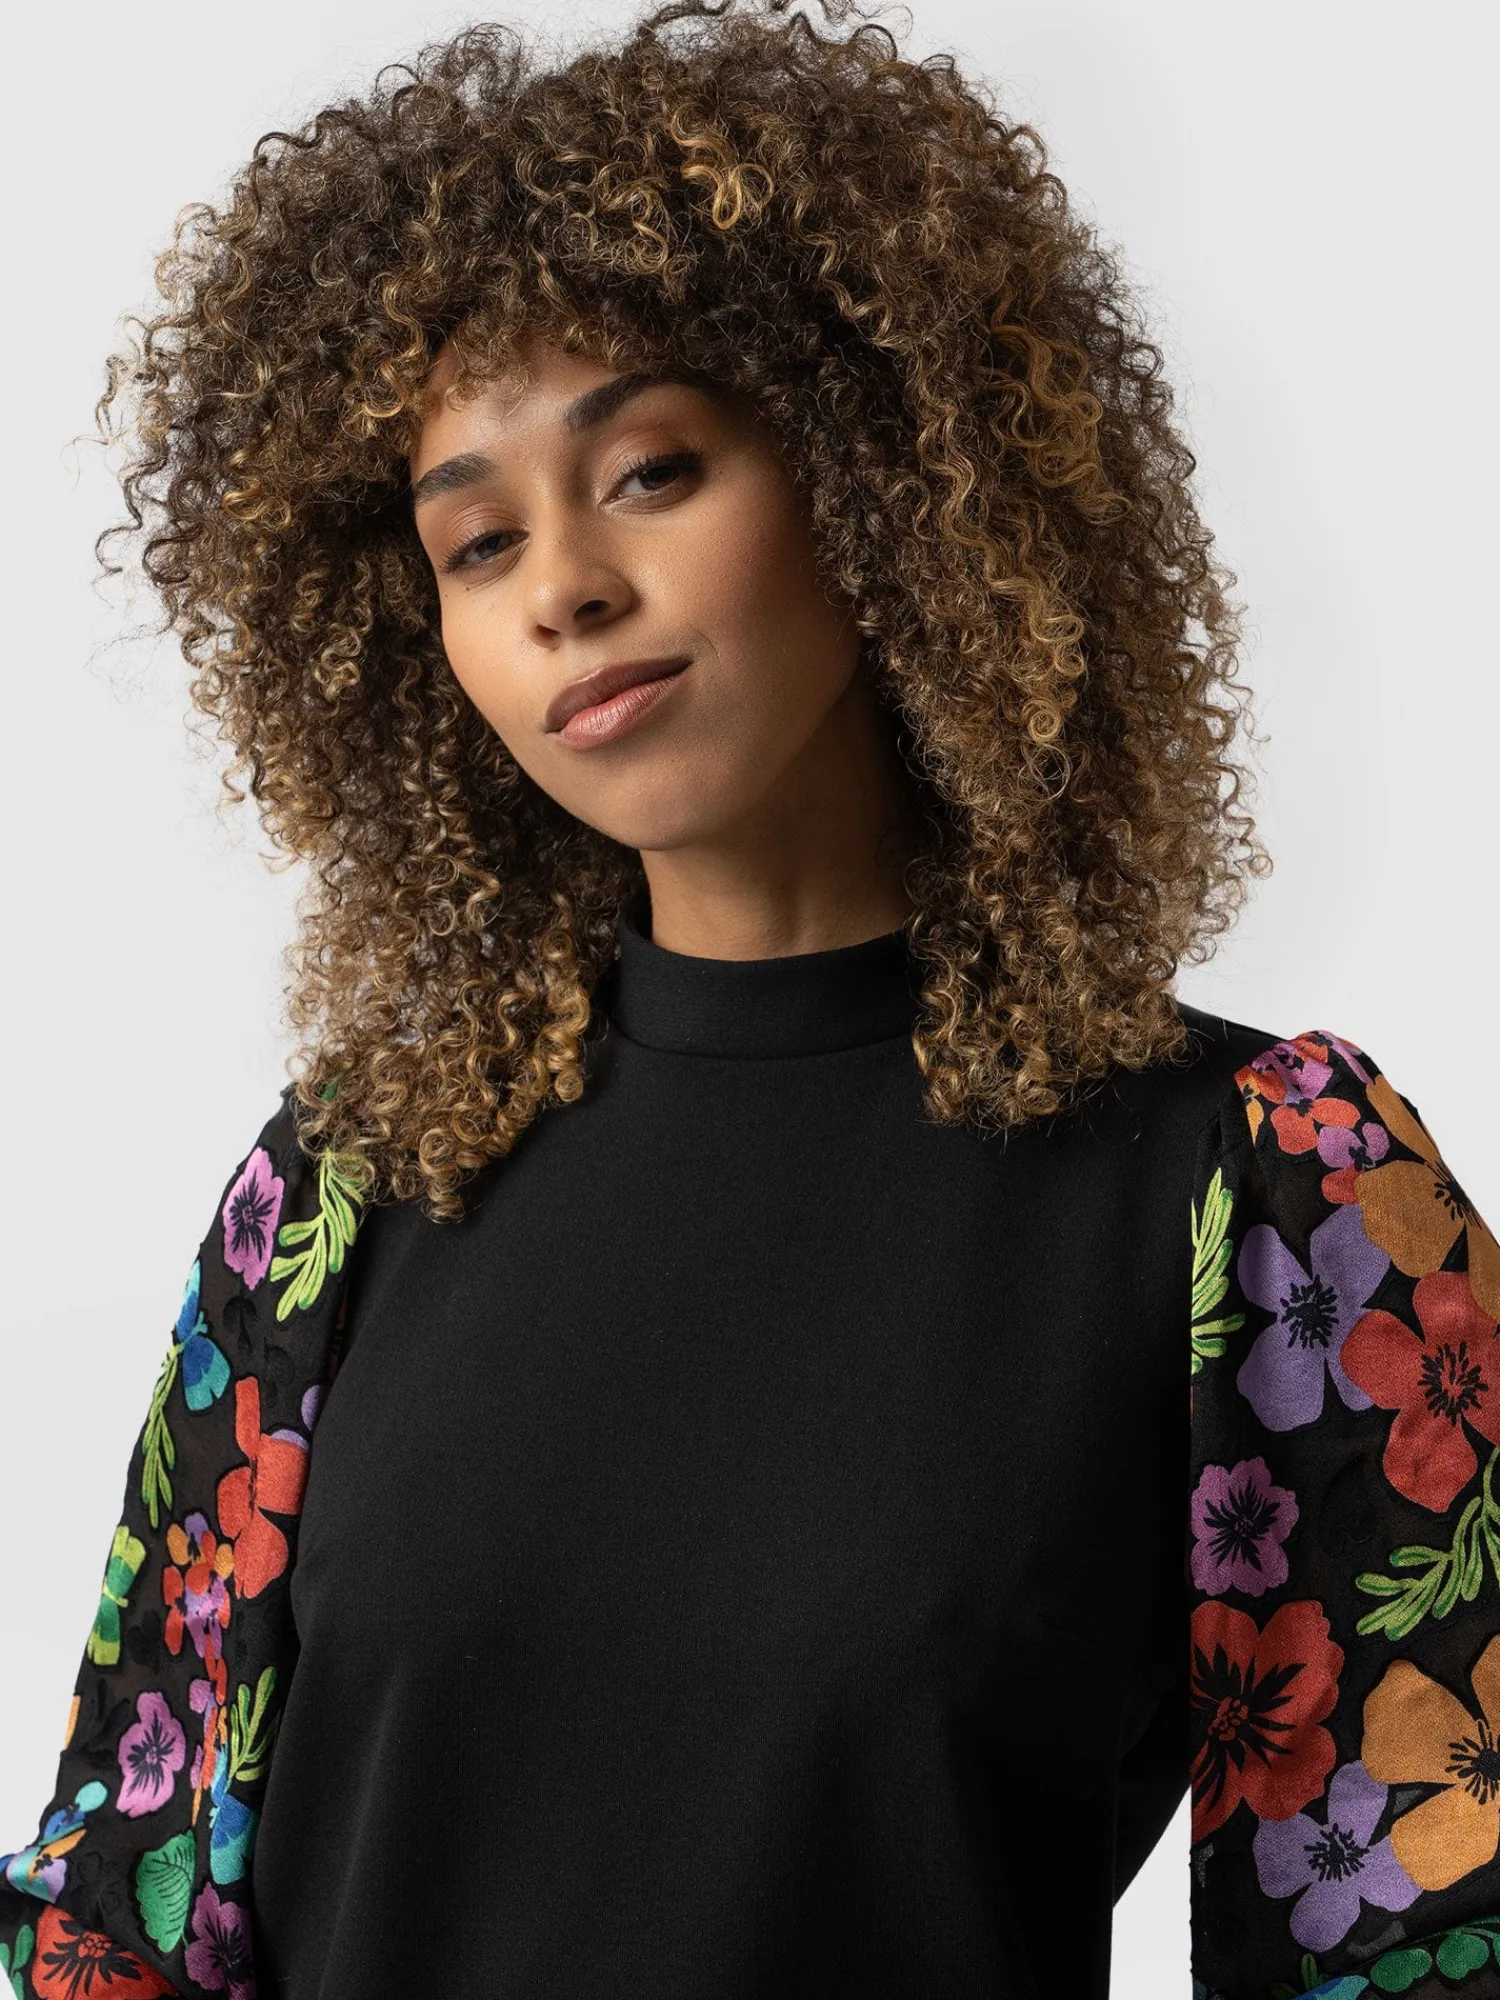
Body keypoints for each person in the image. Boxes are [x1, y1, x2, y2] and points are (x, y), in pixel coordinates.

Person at [2, 2, 1496, 1995]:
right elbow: (119, 1918)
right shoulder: (342, 1198)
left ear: (884, 471)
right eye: (477, 541)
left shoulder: (1264, 1194)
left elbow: (1425, 1937)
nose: (562, 587)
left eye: (650, 469)